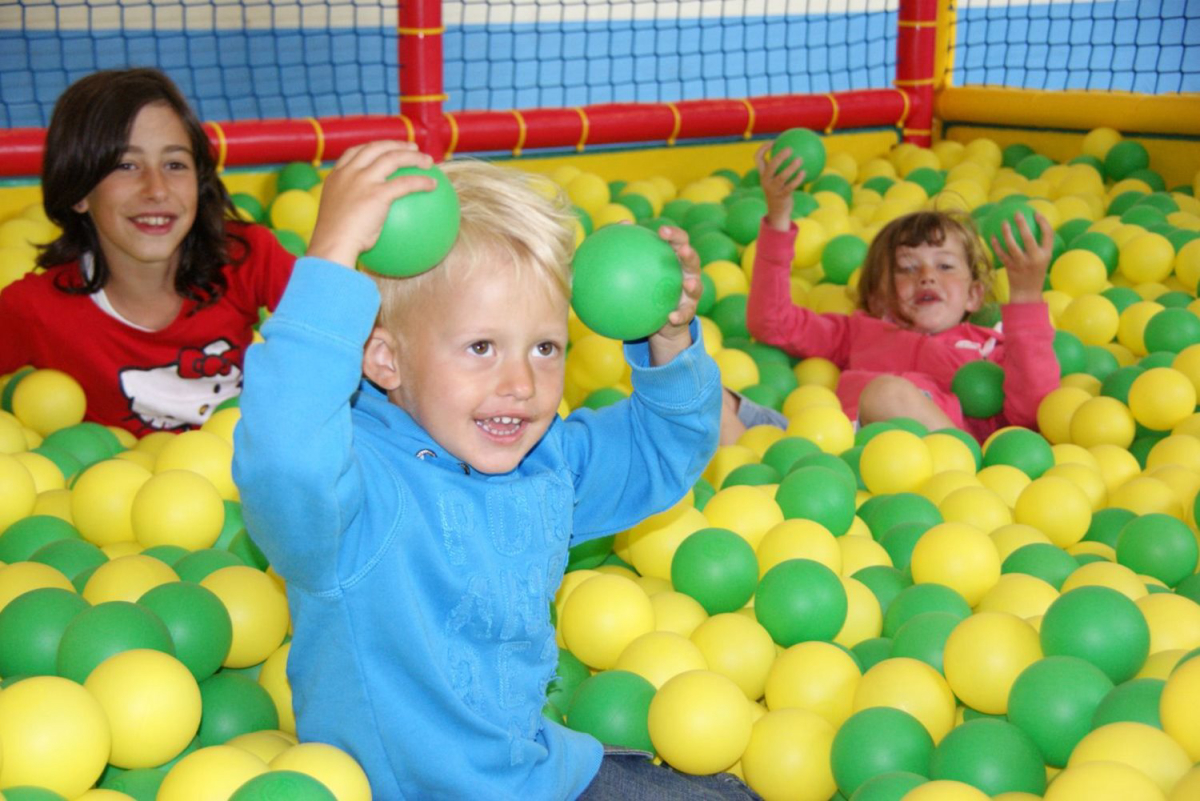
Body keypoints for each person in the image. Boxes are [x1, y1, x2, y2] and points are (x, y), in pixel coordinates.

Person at [232, 142, 750, 800]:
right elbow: (283, 457)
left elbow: (660, 449)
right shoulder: (354, 499)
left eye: (545, 346)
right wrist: (331, 264)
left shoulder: (543, 463)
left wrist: (667, 338)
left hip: (538, 772)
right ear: (384, 359)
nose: (521, 382)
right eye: (480, 347)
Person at [0, 68, 295, 436]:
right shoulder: (37, 309)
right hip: (118, 484)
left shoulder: (245, 257)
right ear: (79, 192)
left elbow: (344, 333)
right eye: (126, 165)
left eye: (175, 164)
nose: (156, 189)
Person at [740, 141, 1060, 443]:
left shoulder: (990, 347)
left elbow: (1032, 413)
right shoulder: (859, 331)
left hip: (936, 462)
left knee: (886, 394)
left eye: (945, 266)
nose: (926, 277)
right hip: (831, 448)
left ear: (974, 295)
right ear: (879, 297)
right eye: (907, 268)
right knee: (714, 398)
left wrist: (1026, 296)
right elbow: (772, 322)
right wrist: (779, 216)